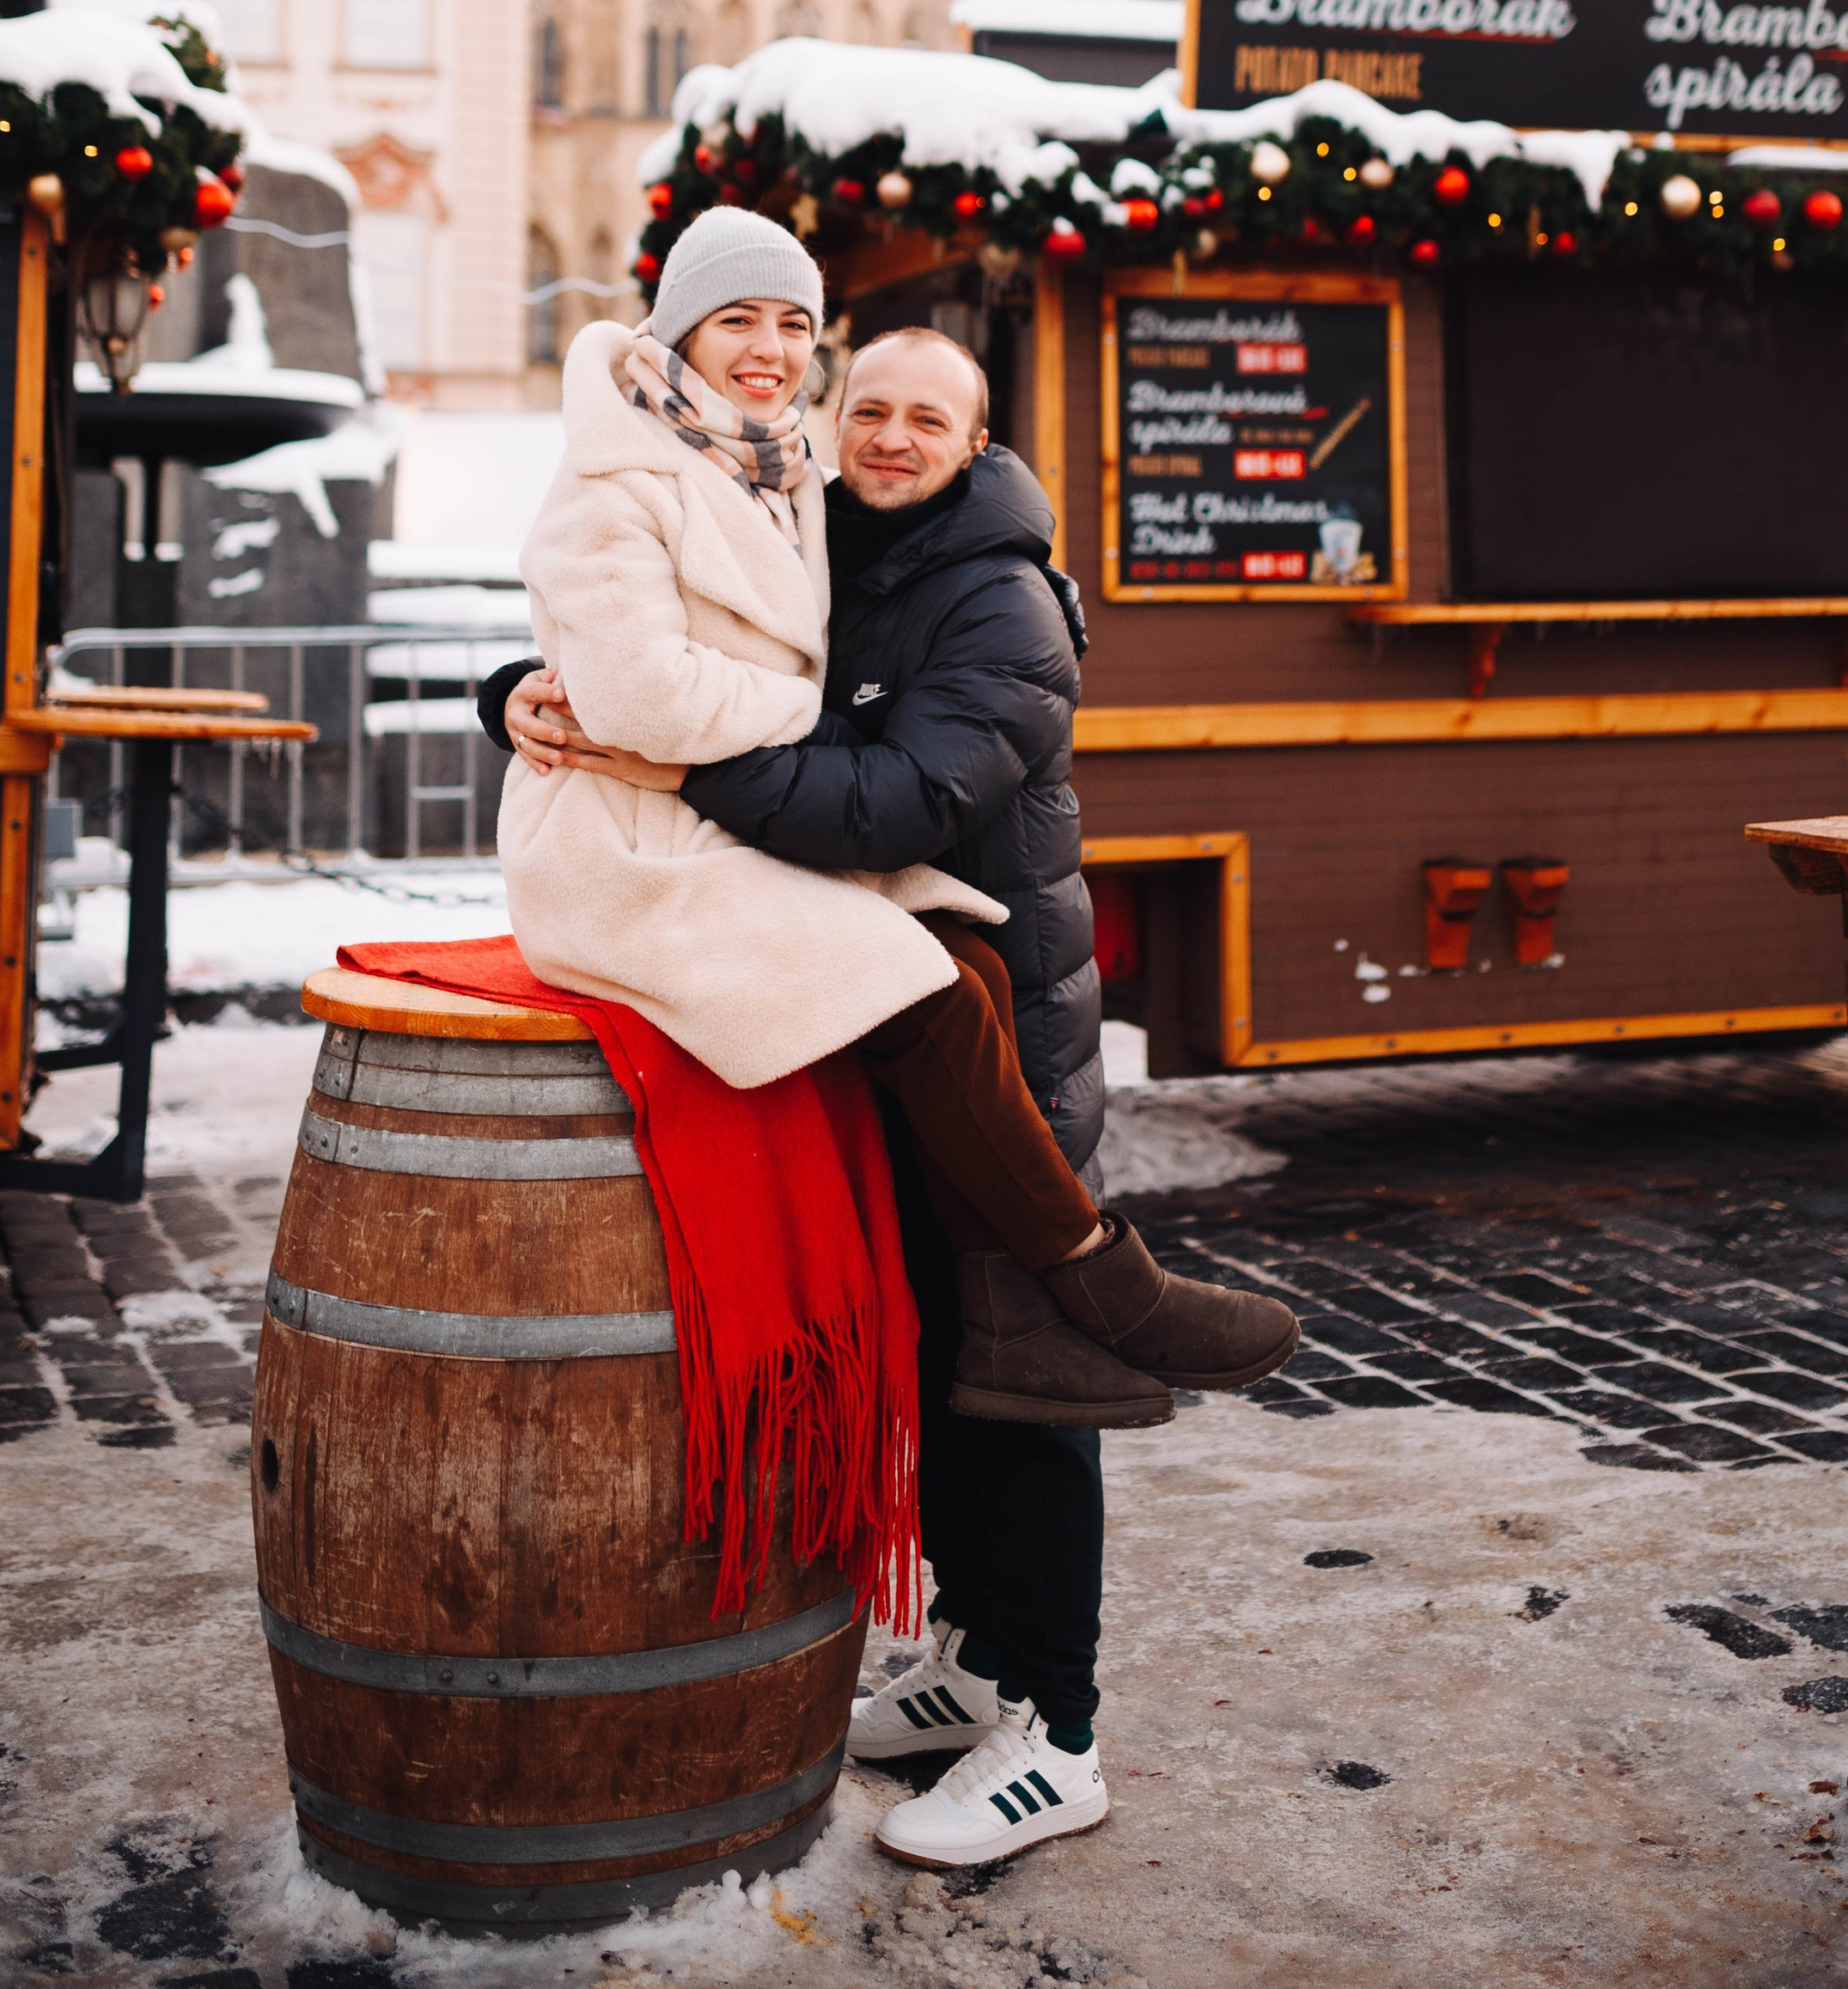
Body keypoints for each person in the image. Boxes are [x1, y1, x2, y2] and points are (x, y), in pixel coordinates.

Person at [484, 219, 1297, 1870]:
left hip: (1001, 996)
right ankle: (974, 1663)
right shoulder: (814, 518)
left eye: (927, 420)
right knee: (938, 1348)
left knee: (1024, 1366)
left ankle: (1057, 1729)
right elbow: (634, 640)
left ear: (978, 441)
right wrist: (525, 688)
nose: (886, 436)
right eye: (872, 411)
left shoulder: (999, 599)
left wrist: (666, 741)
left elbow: (895, 792)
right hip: (869, 944)